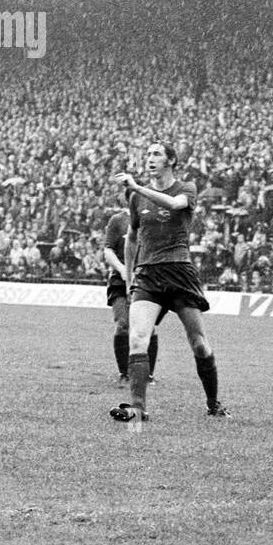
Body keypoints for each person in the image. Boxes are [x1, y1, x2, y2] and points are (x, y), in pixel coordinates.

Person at [109, 142, 228, 422]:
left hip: (179, 272)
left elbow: (174, 205)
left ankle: (213, 403)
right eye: (148, 154)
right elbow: (132, 239)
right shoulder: (137, 199)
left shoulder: (186, 188)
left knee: (198, 343)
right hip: (148, 275)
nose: (150, 158)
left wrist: (136, 186)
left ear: (171, 161)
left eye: (156, 154)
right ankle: (138, 408)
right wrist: (129, 276)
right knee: (137, 338)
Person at [103, 194, 159, 386]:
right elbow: (108, 250)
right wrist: (122, 270)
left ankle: (148, 374)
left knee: (149, 328)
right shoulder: (117, 221)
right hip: (120, 280)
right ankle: (124, 373)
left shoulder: (152, 218)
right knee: (122, 324)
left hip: (146, 279)